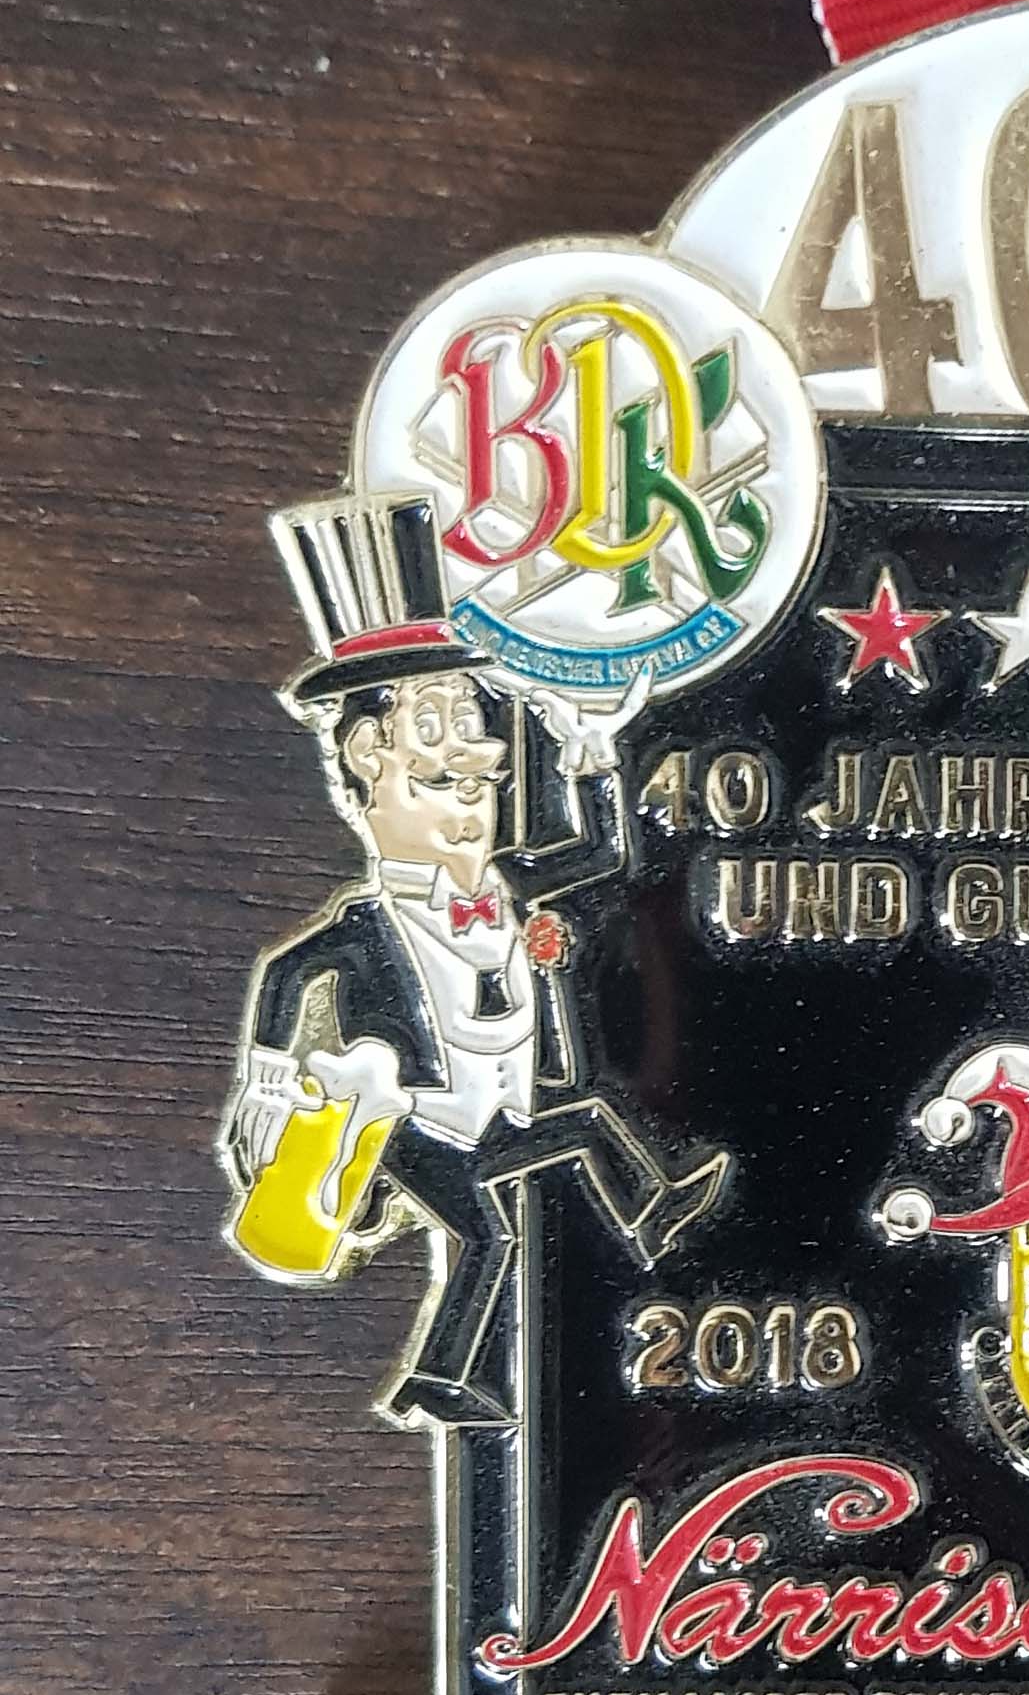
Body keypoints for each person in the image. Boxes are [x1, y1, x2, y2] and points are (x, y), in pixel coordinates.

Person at [222, 495, 725, 1427]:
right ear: (368, 756)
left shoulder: (514, 885)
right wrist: (274, 1096)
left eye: (471, 727)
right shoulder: (352, 939)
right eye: (435, 730)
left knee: (586, 1123)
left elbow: (603, 853)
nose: (472, 760)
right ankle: (441, 1379)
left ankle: (651, 1216)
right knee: (489, 1236)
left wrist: (590, 748)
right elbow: (286, 1002)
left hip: (500, 1108)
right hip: (419, 1123)